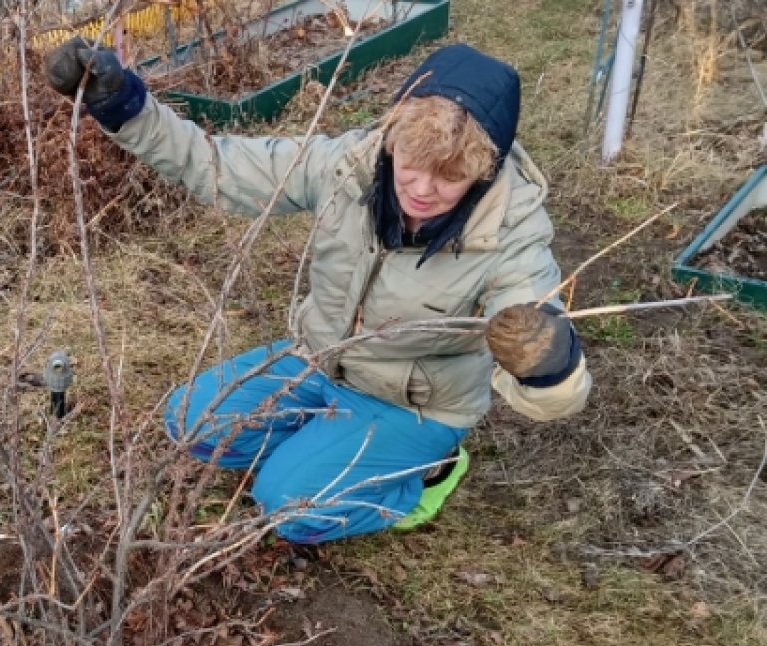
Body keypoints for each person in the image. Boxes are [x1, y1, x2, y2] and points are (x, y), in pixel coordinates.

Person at [45, 39, 592, 544]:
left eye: (448, 177)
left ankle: (424, 477)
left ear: (482, 170)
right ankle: (324, 445)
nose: (423, 190)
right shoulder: (348, 166)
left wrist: (547, 362)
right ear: (392, 140)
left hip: (412, 404)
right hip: (318, 359)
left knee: (289, 509)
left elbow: (545, 349)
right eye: (412, 165)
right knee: (190, 422)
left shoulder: (512, 232)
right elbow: (219, 166)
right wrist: (123, 107)